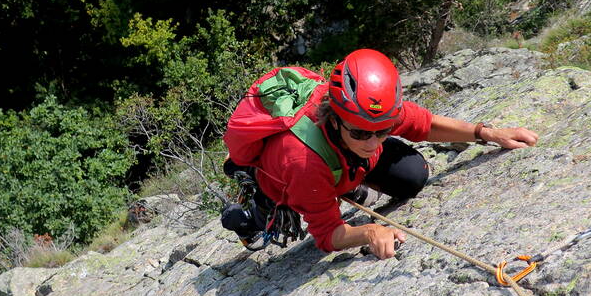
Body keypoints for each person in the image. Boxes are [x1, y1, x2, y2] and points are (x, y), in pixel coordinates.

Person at [222, 49, 538, 259]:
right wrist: (369, 231)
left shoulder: (368, 113)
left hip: (340, 160)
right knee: (273, 211)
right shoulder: (301, 161)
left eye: (383, 131)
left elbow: (423, 124)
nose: (373, 142)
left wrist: (485, 133)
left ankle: (348, 181)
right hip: (291, 174)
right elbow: (327, 235)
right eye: (360, 132)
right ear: (333, 117)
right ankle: (256, 202)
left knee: (413, 177)